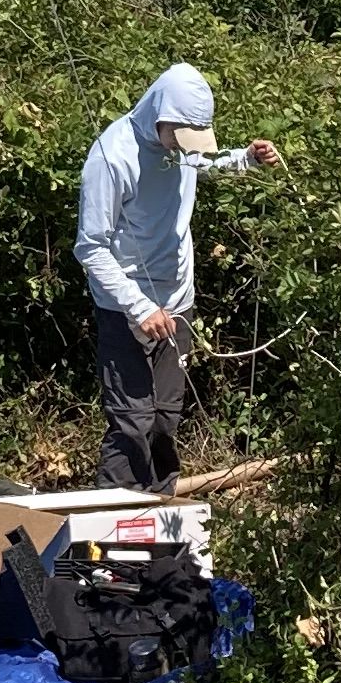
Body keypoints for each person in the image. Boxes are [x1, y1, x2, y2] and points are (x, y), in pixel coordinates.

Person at [74, 65, 281, 493]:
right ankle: (114, 519)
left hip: (177, 300)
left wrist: (246, 160)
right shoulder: (112, 156)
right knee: (132, 421)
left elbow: (203, 164)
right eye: (180, 137)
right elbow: (90, 247)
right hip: (125, 307)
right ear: (159, 115)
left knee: (166, 417)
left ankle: (161, 507)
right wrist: (140, 307)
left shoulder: (179, 143)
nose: (185, 149)